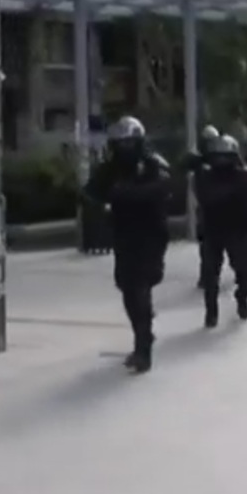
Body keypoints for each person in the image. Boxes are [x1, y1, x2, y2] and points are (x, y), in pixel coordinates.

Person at [83, 116, 172, 373]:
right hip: (123, 234)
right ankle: (142, 332)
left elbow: (163, 187)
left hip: (151, 233)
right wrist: (98, 204)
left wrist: (125, 194)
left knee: (142, 285)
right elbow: (91, 192)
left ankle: (143, 347)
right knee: (127, 288)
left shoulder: (152, 163)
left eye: (129, 143)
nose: (125, 149)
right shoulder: (110, 168)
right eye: (120, 144)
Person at [194, 135, 247, 327]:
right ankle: (211, 311)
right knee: (210, 274)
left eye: (225, 156)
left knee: (245, 270)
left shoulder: (245, 176)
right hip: (212, 230)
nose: (221, 161)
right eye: (217, 156)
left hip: (237, 229)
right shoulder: (205, 176)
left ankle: (242, 298)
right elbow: (203, 197)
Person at [183, 125, 220, 289]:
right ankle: (207, 276)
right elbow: (185, 164)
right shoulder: (198, 160)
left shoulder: (222, 156)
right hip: (205, 205)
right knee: (207, 245)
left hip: (222, 204)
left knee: (226, 242)